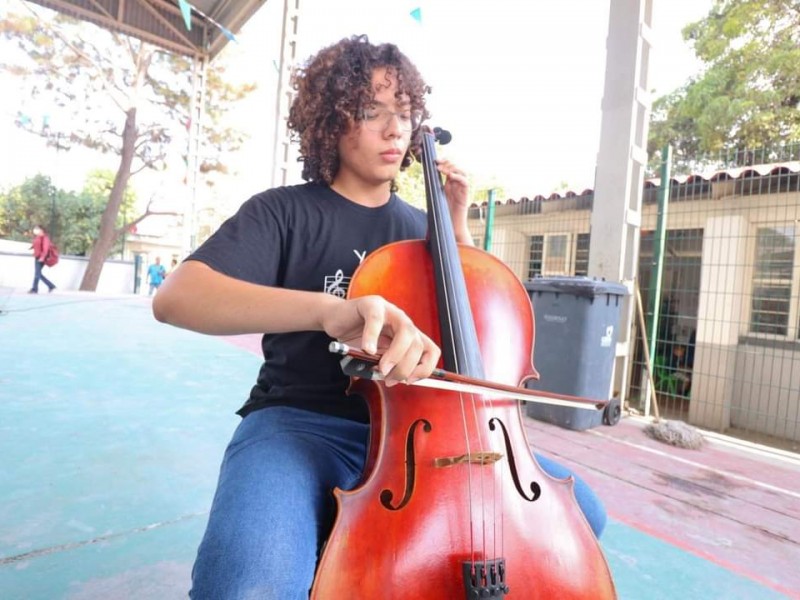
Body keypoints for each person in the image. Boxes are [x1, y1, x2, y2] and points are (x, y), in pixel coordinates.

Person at [153, 35, 606, 599]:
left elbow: (480, 335)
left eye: (404, 113)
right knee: (250, 585)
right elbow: (177, 297)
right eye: (371, 113)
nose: (395, 130)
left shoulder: (427, 229)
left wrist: (456, 226)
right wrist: (329, 312)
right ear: (331, 121)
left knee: (580, 516)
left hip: (430, 435)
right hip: (300, 422)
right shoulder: (284, 211)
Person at [28, 225, 56, 294]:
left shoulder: (45, 238)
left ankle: (35, 289)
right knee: (38, 273)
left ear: (42, 230)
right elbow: (36, 245)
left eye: (37, 229)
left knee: (37, 273)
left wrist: (42, 258)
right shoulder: (38, 237)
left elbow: (45, 249)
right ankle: (50, 286)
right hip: (37, 257)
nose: (35, 230)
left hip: (41, 258)